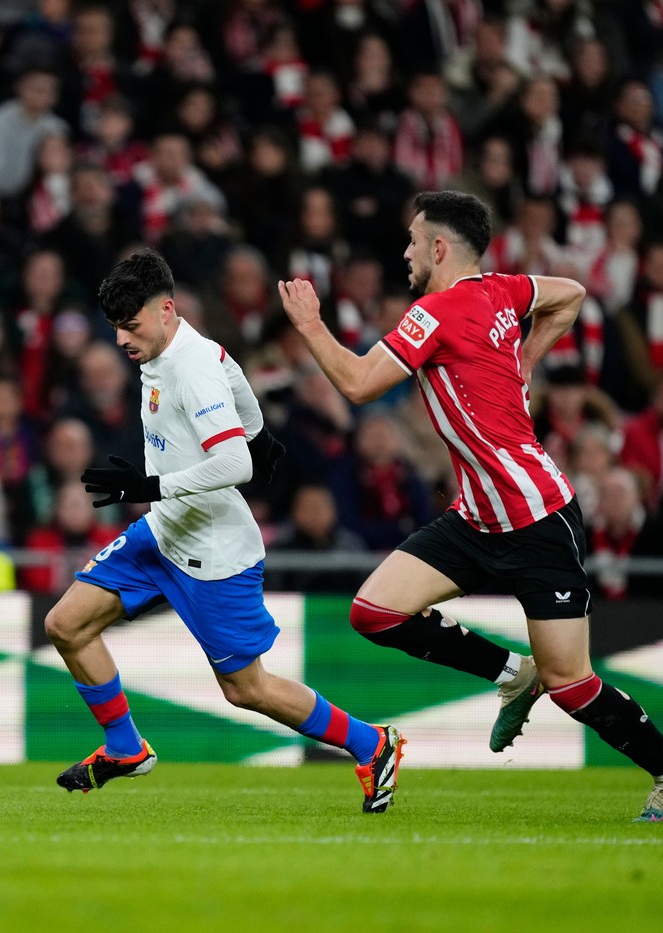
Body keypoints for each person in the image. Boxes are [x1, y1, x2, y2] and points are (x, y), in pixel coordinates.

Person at [276, 190, 663, 822]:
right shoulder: (502, 291)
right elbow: (570, 295)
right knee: (374, 611)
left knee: (572, 684)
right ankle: (512, 673)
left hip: (537, 517)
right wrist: (526, 358)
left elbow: (358, 383)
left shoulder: (434, 312)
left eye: (412, 241)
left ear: (439, 248)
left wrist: (311, 325)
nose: (406, 252)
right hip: (477, 518)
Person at [44, 249, 404, 813]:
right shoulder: (188, 349)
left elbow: (236, 466)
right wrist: (259, 434)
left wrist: (150, 485)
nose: (121, 341)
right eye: (116, 329)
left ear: (166, 310)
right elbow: (240, 394)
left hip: (212, 554)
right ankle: (125, 748)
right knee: (66, 625)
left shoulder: (191, 368)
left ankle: (372, 743)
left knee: (246, 690)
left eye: (131, 326)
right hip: (164, 533)